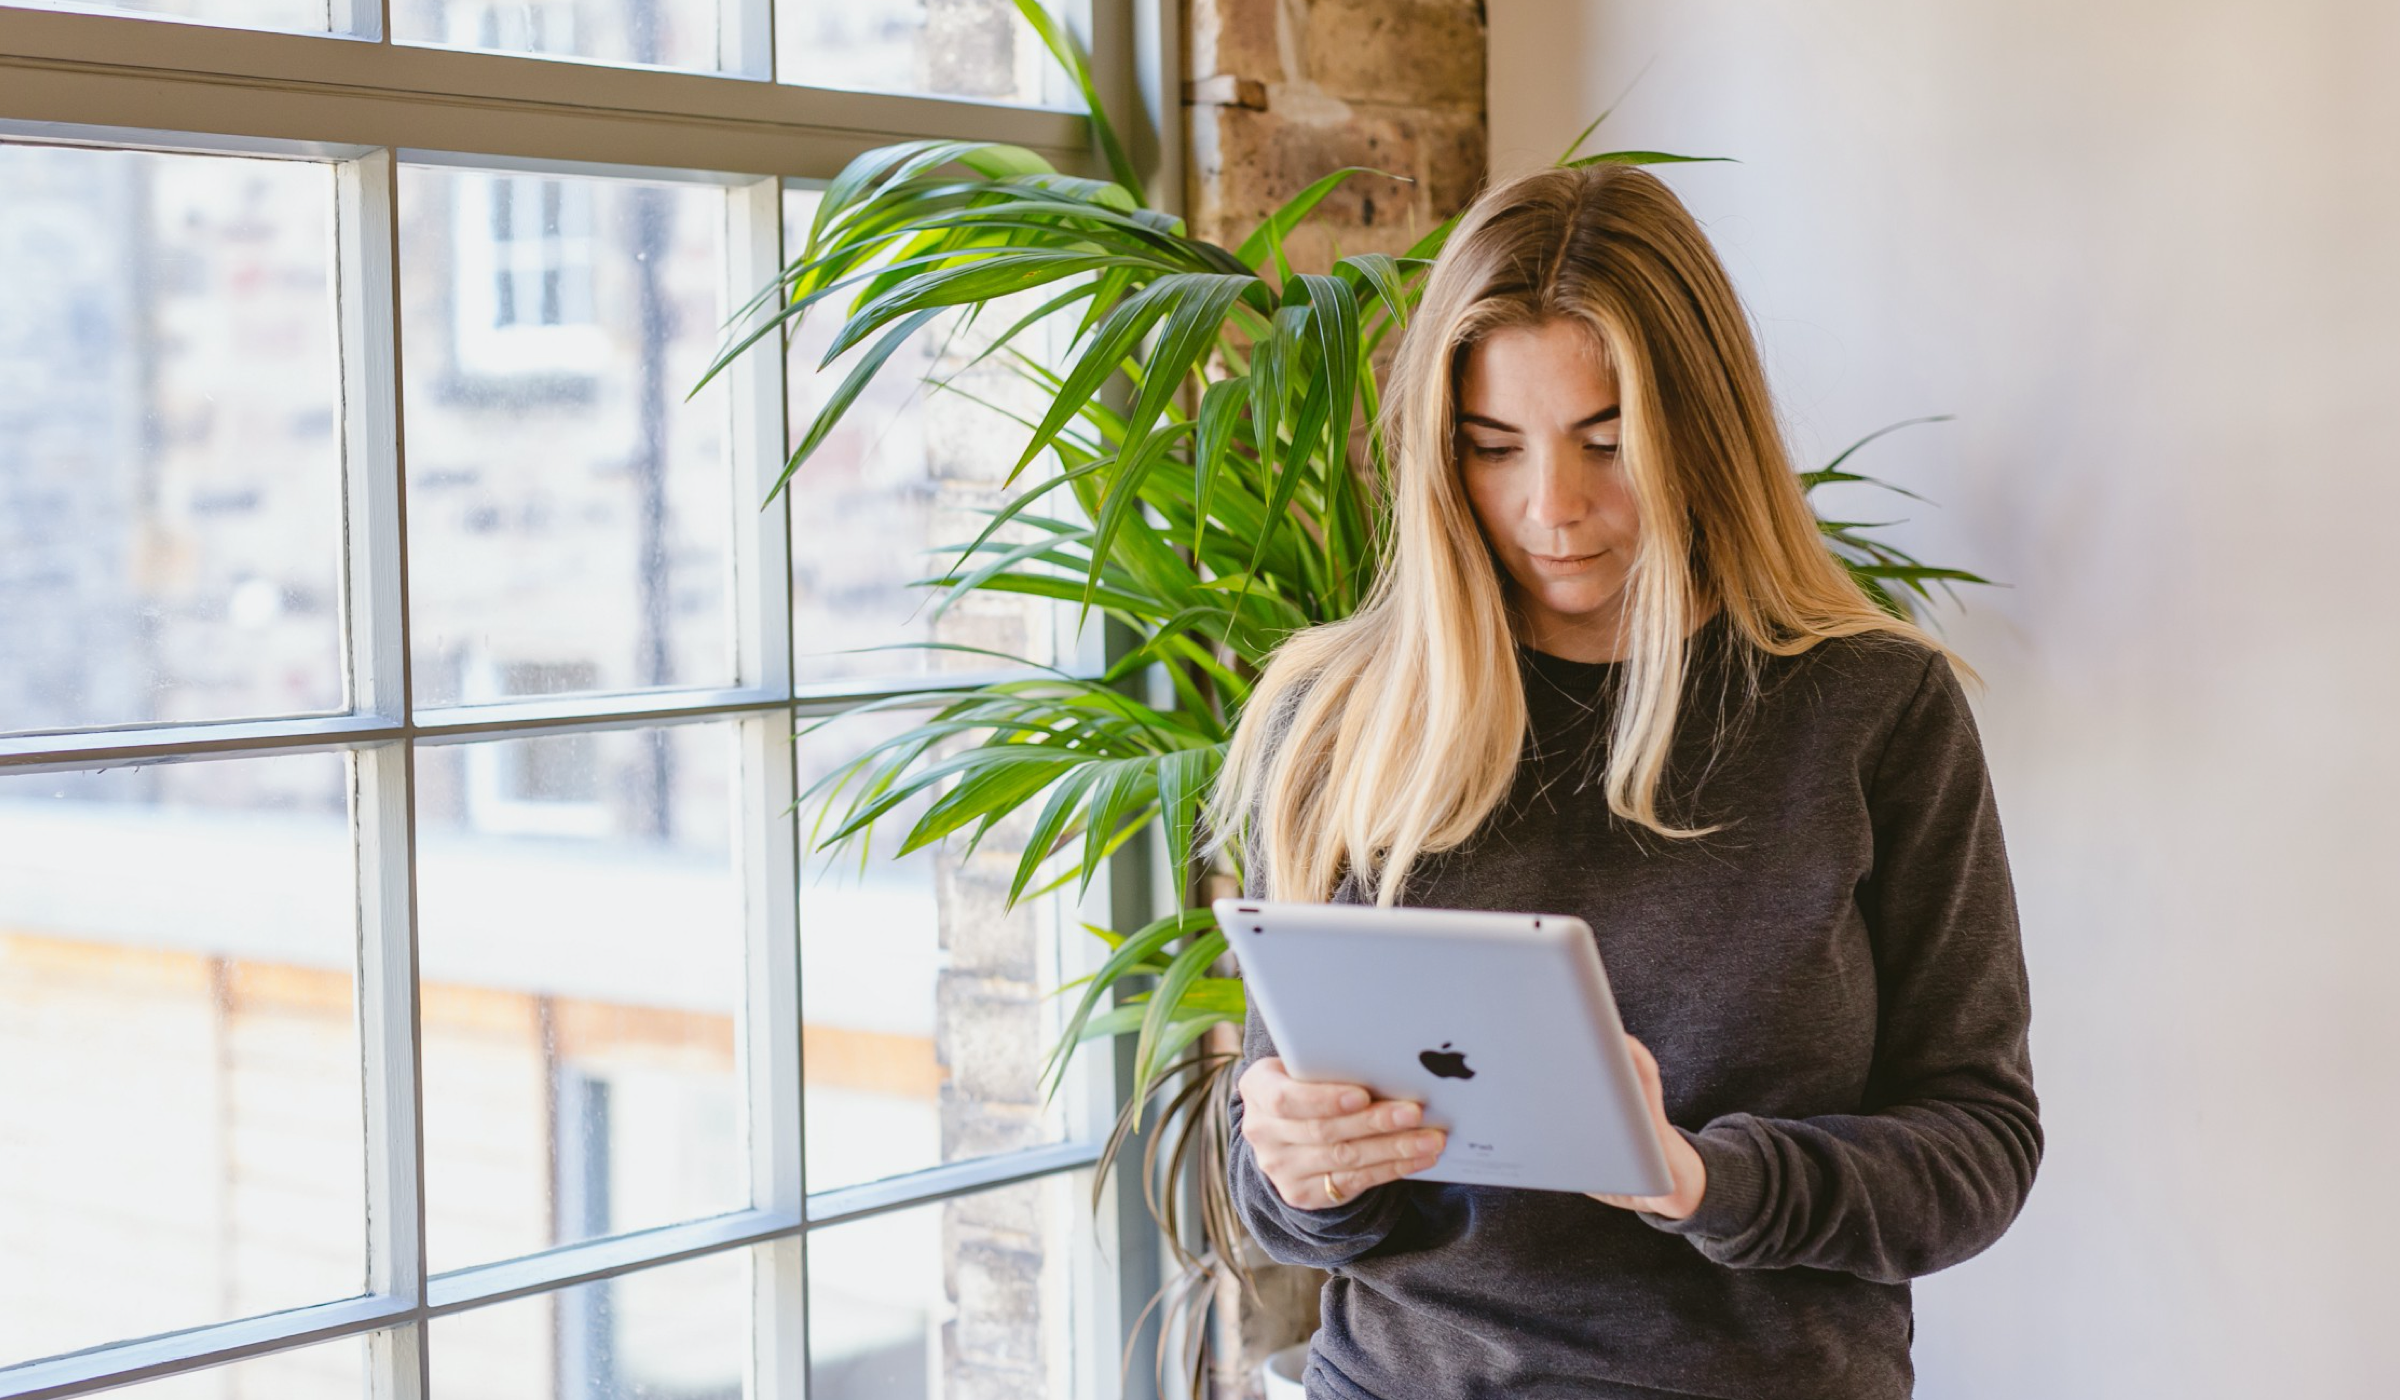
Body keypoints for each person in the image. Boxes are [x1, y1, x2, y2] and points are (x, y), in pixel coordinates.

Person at [1202, 162, 2041, 1399]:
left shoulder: (1873, 705)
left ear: (1703, 430)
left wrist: (1705, 1178)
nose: (1554, 508)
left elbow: (1982, 1141)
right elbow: (1278, 1171)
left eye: (1609, 442)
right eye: (1494, 448)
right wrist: (1296, 1163)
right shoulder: (1337, 719)